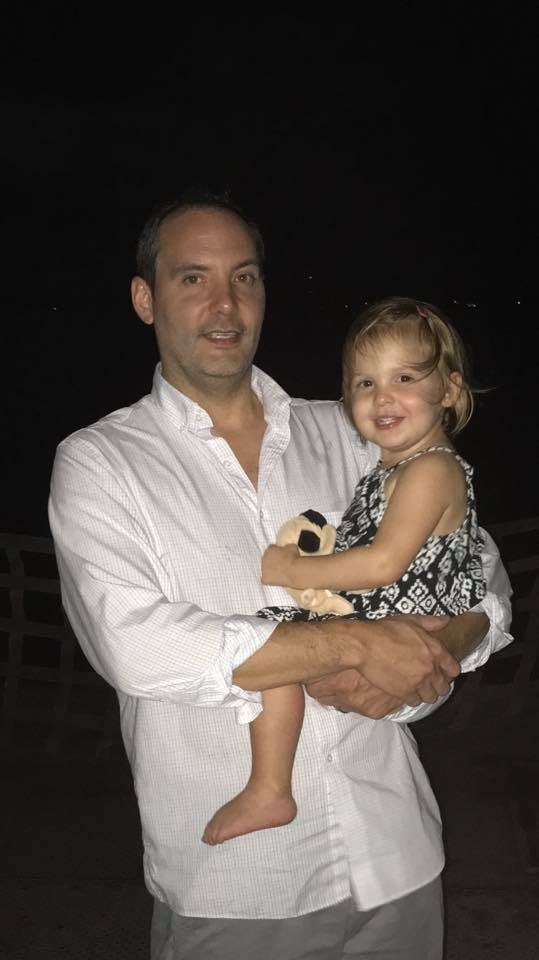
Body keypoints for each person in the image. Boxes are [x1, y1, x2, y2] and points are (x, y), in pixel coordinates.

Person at [48, 190, 512, 960]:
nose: (225, 303)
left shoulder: (354, 430)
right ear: (144, 298)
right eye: (192, 278)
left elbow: (478, 571)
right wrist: (357, 644)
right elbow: (135, 645)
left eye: (245, 277)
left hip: (395, 853)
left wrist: (440, 646)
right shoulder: (101, 462)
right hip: (238, 885)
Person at [202, 297, 488, 847]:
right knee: (277, 648)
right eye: (364, 383)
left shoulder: (431, 469)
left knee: (272, 641)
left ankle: (269, 787)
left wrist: (299, 567)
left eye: (405, 377)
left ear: (450, 391)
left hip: (401, 615)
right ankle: (272, 786)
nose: (382, 397)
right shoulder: (391, 467)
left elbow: (382, 564)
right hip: (386, 616)